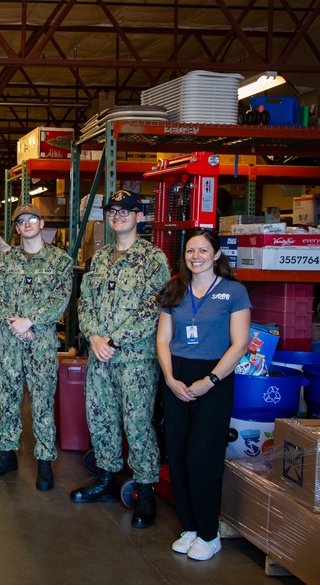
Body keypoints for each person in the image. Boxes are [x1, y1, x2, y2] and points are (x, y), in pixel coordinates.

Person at [72, 189, 170, 530]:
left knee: (137, 424)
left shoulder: (153, 259)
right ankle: (108, 478)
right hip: (100, 356)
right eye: (113, 211)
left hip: (135, 360)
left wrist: (113, 340)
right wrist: (94, 337)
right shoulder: (99, 259)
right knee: (100, 418)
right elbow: (84, 303)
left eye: (125, 211)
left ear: (139, 217)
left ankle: (145, 490)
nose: (118, 216)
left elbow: (154, 308)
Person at [155, 229, 250, 561]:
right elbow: (163, 339)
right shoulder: (173, 290)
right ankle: (190, 527)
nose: (196, 256)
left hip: (215, 375)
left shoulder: (233, 292)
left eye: (203, 250)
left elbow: (239, 344)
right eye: (191, 251)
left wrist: (210, 380)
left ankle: (210, 533)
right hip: (177, 375)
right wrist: (169, 378)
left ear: (217, 254)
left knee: (202, 456)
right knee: (178, 453)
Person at [0, 204, 73, 490]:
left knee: (42, 400)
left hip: (42, 341)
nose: (26, 224)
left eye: (32, 219)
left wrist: (30, 322)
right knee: (8, 396)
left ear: (42, 222)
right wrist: (16, 324)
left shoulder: (59, 260)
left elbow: (61, 299)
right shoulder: (6, 261)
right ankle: (7, 452)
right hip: (11, 341)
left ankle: (45, 460)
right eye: (21, 221)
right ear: (16, 227)